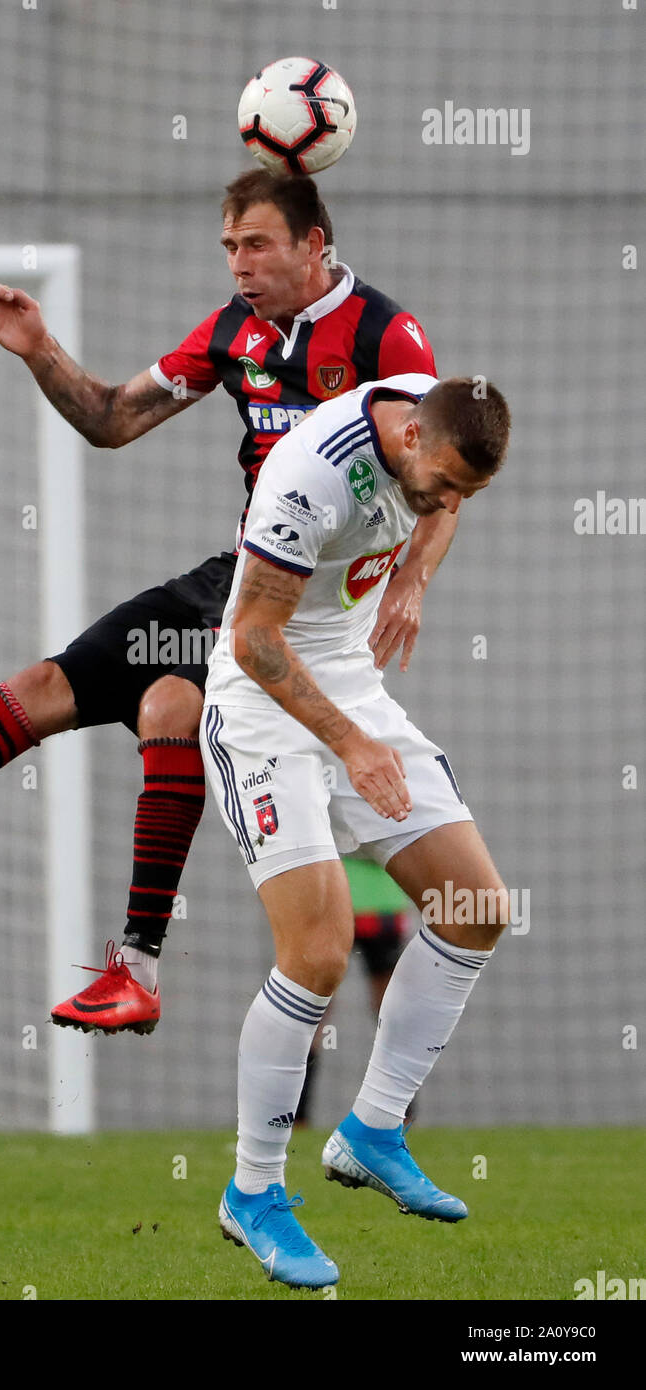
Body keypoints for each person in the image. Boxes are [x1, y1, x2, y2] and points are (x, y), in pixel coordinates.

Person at [0, 171, 455, 1036]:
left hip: (308, 610)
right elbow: (112, 418)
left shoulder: (385, 332)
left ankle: (139, 968)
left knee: (171, 701)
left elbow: (450, 473)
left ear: (313, 244)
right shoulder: (235, 331)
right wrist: (40, 348)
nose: (239, 264)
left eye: (256, 244)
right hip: (232, 580)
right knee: (44, 688)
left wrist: (411, 578)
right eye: (229, 247)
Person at [201, 372, 510, 1289]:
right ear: (409, 436)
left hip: (353, 690)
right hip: (264, 705)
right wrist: (350, 746)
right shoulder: (310, 476)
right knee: (321, 951)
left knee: (477, 907)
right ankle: (253, 1192)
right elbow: (255, 637)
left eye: (468, 494)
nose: (447, 504)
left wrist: (413, 575)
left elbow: (441, 509)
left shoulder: (437, 427)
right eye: (440, 485)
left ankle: (372, 1130)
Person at [294, 856, 415, 1128]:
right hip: (370, 907)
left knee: (315, 1013)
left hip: (340, 904)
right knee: (389, 1013)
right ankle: (401, 1115)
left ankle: (296, 1117)